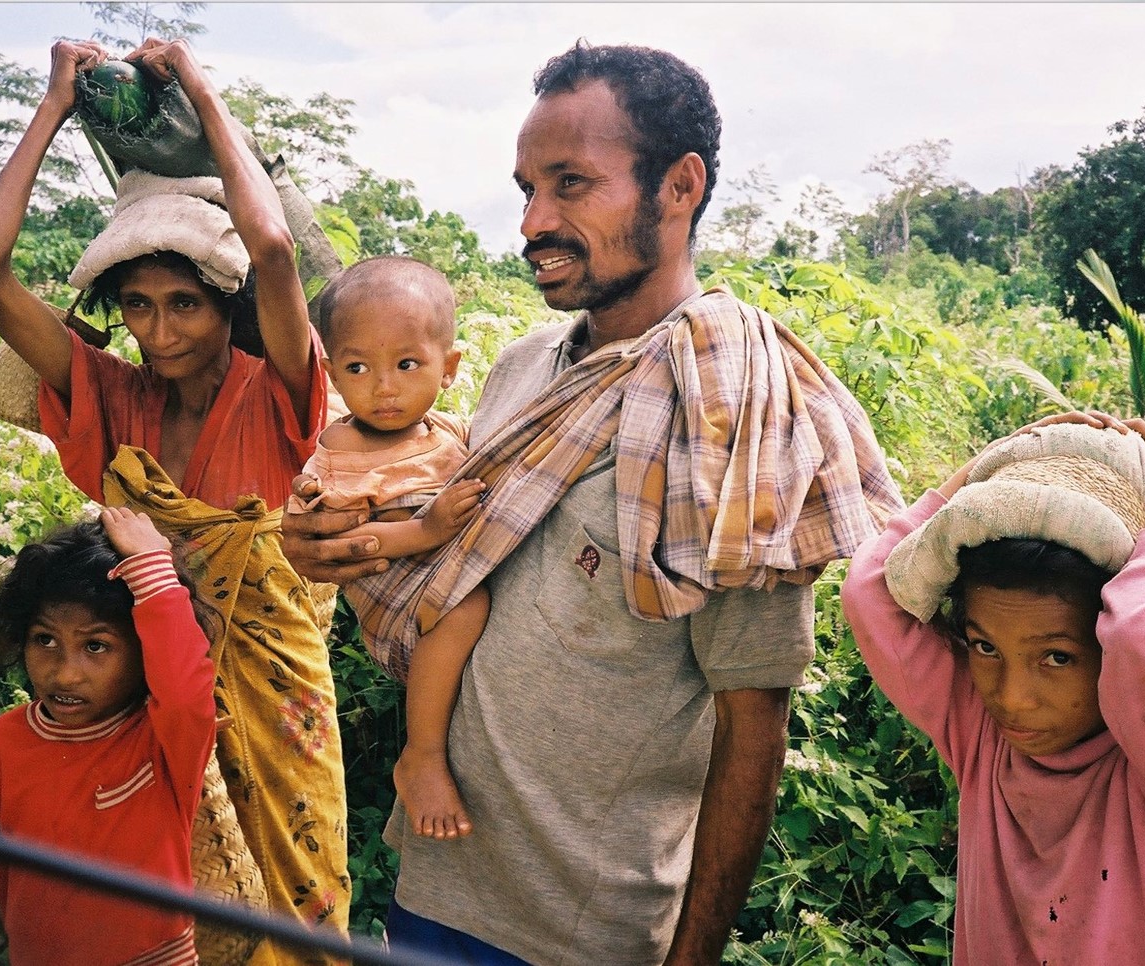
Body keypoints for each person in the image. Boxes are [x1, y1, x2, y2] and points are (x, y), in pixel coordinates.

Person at [282, 41, 903, 965]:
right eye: (527, 188)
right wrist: (329, 546)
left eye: (571, 184)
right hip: (436, 870)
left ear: (679, 185)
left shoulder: (730, 413)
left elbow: (750, 729)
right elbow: (446, 573)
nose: (535, 220)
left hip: (584, 928)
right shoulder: (520, 370)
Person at [0, 38, 351, 958]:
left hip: (274, 693)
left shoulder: (275, 394)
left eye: (185, 304)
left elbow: (277, 249)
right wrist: (53, 104)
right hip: (150, 707)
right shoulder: (115, 402)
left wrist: (203, 94)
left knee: (295, 911)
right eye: (137, 305)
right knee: (177, 924)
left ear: (225, 306)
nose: (159, 331)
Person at [839, 411, 1145, 965]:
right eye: (985, 648)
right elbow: (871, 593)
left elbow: (1143, 638)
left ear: (1107, 639)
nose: (1011, 697)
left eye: (1057, 657)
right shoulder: (983, 738)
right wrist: (990, 469)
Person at [289, 255, 488, 840]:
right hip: (394, 589)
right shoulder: (342, 450)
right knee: (467, 607)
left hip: (439, 571)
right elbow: (348, 545)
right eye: (358, 367)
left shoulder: (449, 432)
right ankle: (421, 753)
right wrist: (427, 529)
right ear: (331, 372)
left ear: (448, 367)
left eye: (406, 364)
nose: (384, 389)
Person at [0, 507, 215, 966]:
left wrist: (151, 564)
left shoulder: (162, 741)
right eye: (45, 640)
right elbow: (5, 872)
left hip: (154, 957)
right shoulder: (1, 743)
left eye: (96, 646)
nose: (66, 674)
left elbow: (186, 691)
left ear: (143, 650)